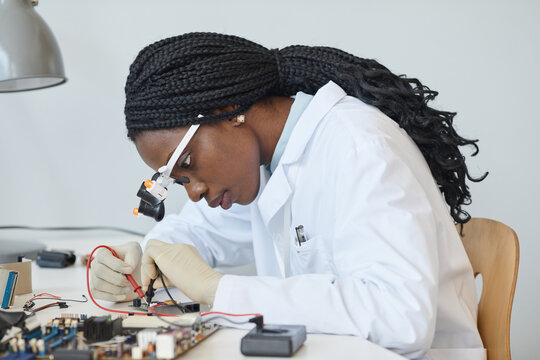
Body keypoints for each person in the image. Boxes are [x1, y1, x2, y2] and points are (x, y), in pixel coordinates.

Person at [90, 32, 487, 359]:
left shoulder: (359, 147)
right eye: (179, 181)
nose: (194, 192)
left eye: (189, 164)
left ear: (229, 110)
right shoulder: (264, 164)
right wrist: (146, 258)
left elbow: (402, 320)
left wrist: (218, 289)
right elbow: (196, 234)